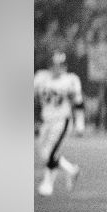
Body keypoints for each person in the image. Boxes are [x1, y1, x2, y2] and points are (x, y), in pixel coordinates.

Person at [34, 52, 84, 196]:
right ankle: (71, 170)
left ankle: (47, 184)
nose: (57, 68)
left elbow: (78, 103)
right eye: (54, 65)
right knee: (43, 153)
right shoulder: (40, 77)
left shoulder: (70, 80)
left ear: (65, 66)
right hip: (46, 121)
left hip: (62, 120)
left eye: (60, 65)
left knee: (50, 152)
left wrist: (80, 123)